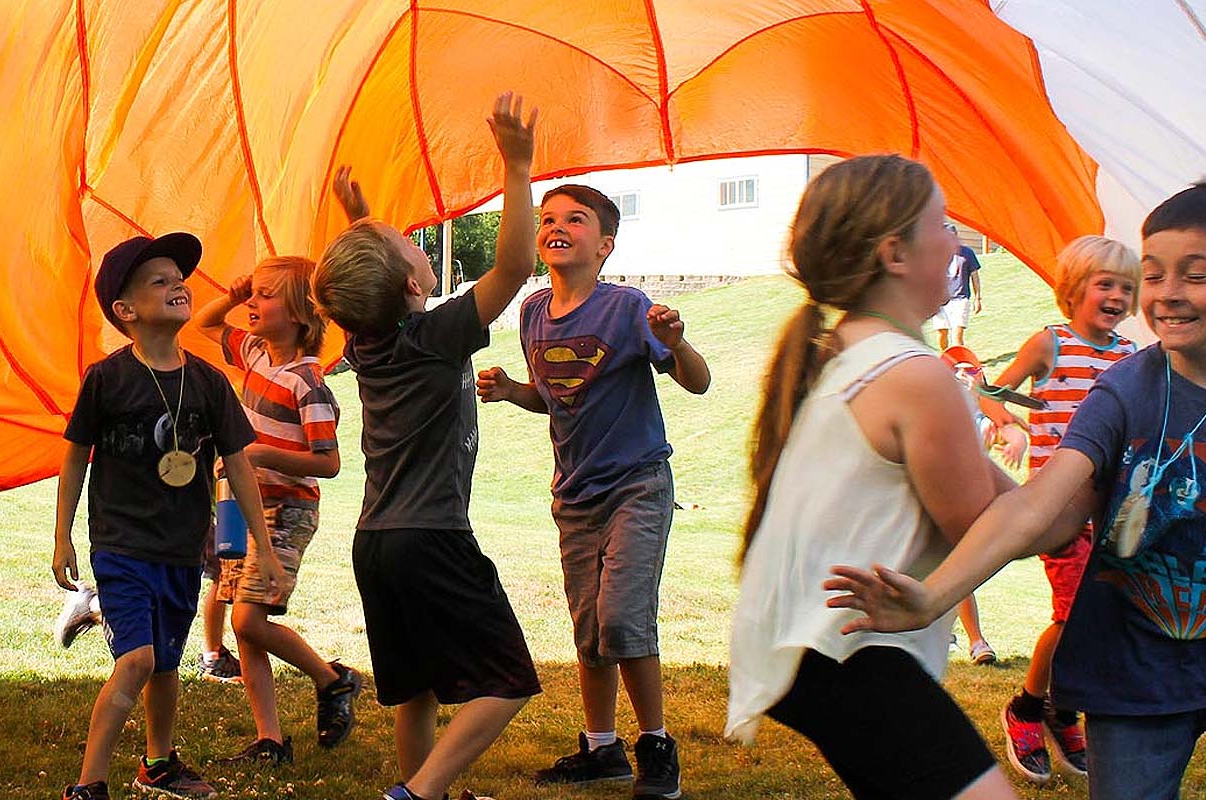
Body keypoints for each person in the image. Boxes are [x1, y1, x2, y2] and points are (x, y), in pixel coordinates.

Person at [827, 176, 1206, 798]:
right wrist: (932, 596)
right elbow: (1035, 508)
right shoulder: (1124, 394)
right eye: (1153, 275)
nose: (1166, 295)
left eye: (1195, 274)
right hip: (1129, 674)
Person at [724, 154, 1019, 800]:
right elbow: (990, 527)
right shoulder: (913, 374)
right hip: (848, 652)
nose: (956, 241)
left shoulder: (854, 352)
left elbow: (1021, 509)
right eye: (942, 224)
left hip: (813, 646)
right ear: (894, 253)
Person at [313, 92, 542, 800]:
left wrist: (360, 221)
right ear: (416, 282)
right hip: (431, 536)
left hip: (375, 542)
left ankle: (421, 787)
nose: (413, 235)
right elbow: (511, 268)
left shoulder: (368, 338)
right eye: (405, 239)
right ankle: (419, 793)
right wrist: (517, 166)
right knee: (506, 680)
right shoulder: (433, 335)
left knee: (414, 691)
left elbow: (376, 282)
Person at [476, 181, 711, 799]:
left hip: (636, 484)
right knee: (589, 628)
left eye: (574, 220)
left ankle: (657, 746)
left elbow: (698, 383)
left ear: (604, 244)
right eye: (548, 218)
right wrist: (510, 392)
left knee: (623, 619)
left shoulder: (627, 308)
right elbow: (555, 394)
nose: (556, 226)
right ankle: (601, 749)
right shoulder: (530, 312)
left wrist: (678, 340)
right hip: (574, 493)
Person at [53, 232, 284, 800]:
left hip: (180, 550)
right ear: (126, 311)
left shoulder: (208, 383)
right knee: (136, 661)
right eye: (159, 280)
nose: (177, 285)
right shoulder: (106, 379)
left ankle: (159, 763)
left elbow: (239, 468)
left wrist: (263, 546)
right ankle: (88, 785)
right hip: (121, 545)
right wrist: (62, 537)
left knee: (165, 665)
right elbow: (75, 458)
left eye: (178, 278)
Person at [975, 235, 1140, 783]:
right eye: (1105, 284)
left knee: (1098, 617)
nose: (1117, 295)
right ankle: (1028, 708)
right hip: (1057, 507)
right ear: (1073, 290)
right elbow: (989, 391)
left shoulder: (1129, 357)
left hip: (1113, 511)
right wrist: (1006, 422)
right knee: (1073, 615)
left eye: (1127, 287)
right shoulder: (1052, 345)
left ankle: (1061, 710)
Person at [192, 254, 360, 765]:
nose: (253, 303)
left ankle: (333, 680)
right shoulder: (255, 354)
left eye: (266, 295)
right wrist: (236, 291)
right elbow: (205, 322)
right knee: (244, 623)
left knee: (246, 618)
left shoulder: (308, 382)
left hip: (286, 509)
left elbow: (327, 462)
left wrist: (261, 454)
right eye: (253, 293)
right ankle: (269, 740)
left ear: (301, 314)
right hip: (240, 504)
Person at [929, 223, 982, 349]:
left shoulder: (967, 253)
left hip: (961, 298)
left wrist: (978, 298)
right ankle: (946, 358)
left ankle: (959, 364)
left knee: (957, 335)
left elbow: (975, 276)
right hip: (940, 301)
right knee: (942, 333)